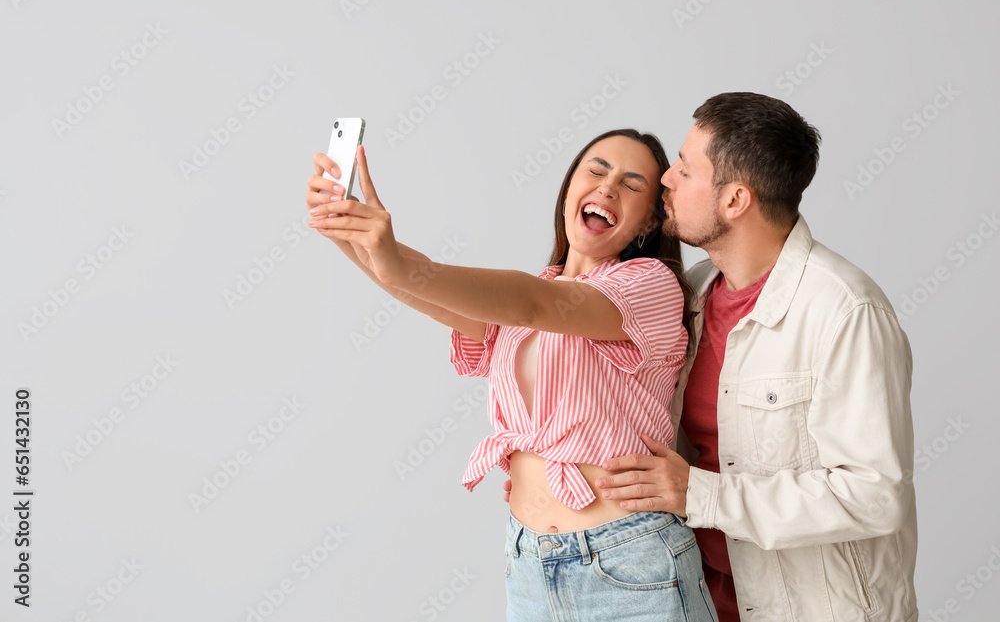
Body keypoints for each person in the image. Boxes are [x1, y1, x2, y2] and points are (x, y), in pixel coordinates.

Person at [306, 129, 719, 621]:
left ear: (650, 220)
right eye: (597, 169)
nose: (608, 187)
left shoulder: (649, 286)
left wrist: (391, 259)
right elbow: (422, 283)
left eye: (632, 184)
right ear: (569, 189)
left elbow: (531, 305)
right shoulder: (529, 297)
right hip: (530, 565)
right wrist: (348, 231)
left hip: (630, 564)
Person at [588, 93, 918, 621]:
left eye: (686, 170)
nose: (666, 179)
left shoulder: (845, 310)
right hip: (697, 599)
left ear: (735, 200)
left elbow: (873, 495)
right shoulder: (689, 296)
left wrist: (703, 494)